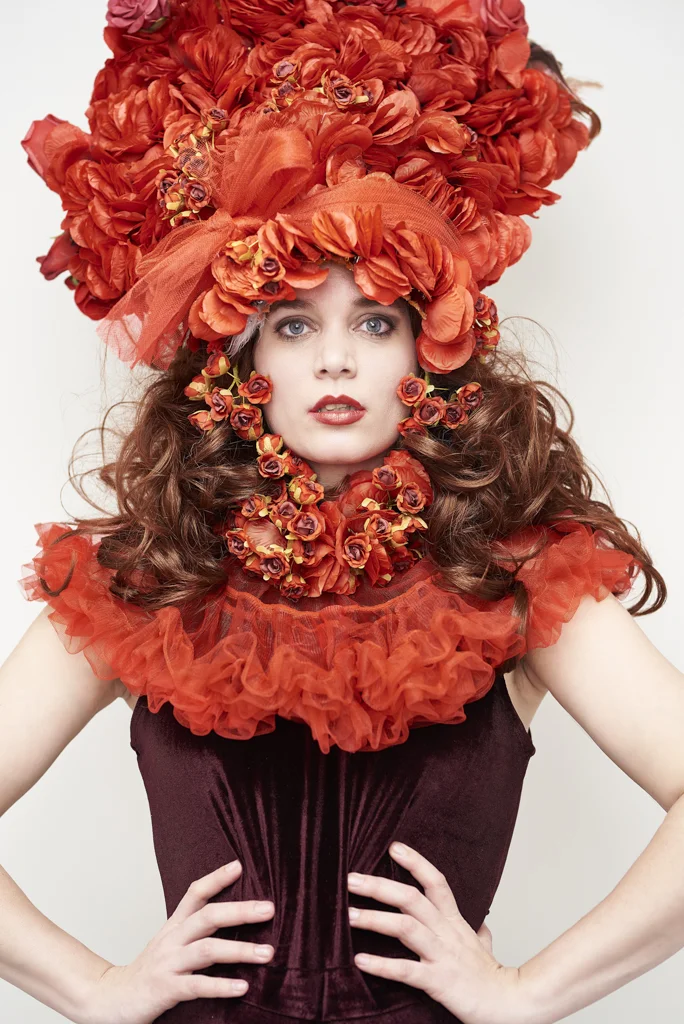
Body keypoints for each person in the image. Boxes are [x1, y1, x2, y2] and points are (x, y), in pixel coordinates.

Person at [3, 1, 684, 1023]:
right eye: (291, 323)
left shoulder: (514, 574)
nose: (332, 359)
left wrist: (524, 995)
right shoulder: (145, 579)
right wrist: (93, 989)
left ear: (428, 345)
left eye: (372, 320)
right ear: (241, 353)